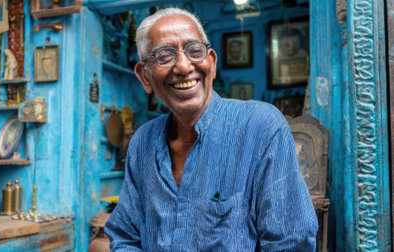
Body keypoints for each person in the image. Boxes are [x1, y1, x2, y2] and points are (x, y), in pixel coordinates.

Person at [105, 8, 317, 251]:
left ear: (212, 63)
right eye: (164, 55)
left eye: (195, 51)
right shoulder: (143, 142)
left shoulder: (261, 127)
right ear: (144, 76)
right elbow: (125, 238)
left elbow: (291, 243)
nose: (184, 66)